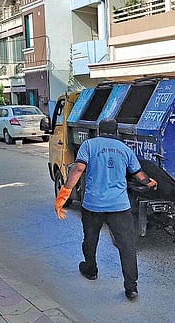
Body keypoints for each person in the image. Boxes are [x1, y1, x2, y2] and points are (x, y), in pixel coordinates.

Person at [54, 118, 157, 300]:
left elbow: (78, 168)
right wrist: (150, 182)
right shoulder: (125, 149)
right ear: (116, 132)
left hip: (93, 205)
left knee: (90, 239)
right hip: (119, 206)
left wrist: (64, 194)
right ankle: (131, 288)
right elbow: (139, 175)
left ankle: (91, 269)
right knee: (127, 246)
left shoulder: (89, 145)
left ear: (99, 131)